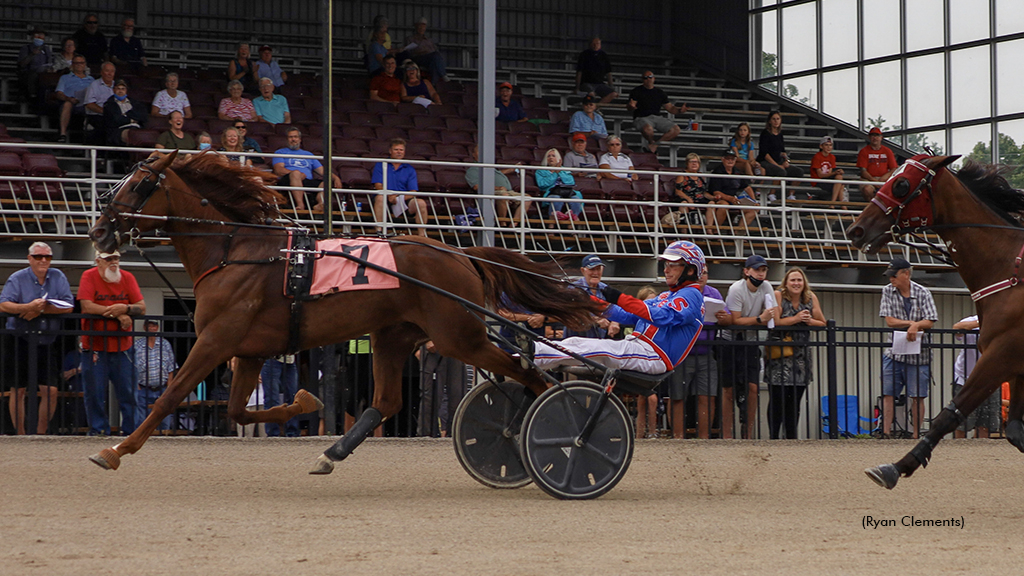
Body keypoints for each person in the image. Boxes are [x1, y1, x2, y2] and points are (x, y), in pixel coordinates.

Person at [529, 241, 706, 381]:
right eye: (666, 264)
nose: (666, 269)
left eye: (673, 265)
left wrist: (618, 297)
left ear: (690, 270)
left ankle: (531, 354)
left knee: (596, 348)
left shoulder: (692, 295)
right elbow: (627, 315)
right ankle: (530, 353)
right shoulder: (666, 295)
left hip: (655, 355)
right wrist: (588, 301)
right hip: (639, 347)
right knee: (576, 341)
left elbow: (665, 317)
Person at [0, 242, 73, 435]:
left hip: (47, 340)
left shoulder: (58, 276)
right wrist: (26, 307)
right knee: (19, 389)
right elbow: (4, 304)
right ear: (29, 258)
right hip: (19, 339)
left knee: (51, 390)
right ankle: (21, 434)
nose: (43, 260)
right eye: (38, 256)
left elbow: (69, 305)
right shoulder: (17, 277)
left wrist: (40, 309)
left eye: (47, 257)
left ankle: (41, 434)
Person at [78, 250, 146, 436]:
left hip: (123, 347)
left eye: (116, 258)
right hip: (94, 347)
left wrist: (125, 308)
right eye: (109, 259)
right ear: (98, 261)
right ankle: (99, 431)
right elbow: (87, 306)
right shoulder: (89, 276)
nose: (113, 262)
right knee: (95, 394)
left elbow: (141, 307)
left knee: (130, 394)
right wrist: (117, 313)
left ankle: (133, 432)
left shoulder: (127, 277)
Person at [879, 257, 937, 440]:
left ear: (906, 274)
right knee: (888, 393)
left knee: (918, 395)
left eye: (894, 276)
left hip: (920, 354)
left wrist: (917, 326)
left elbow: (931, 320)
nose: (891, 280)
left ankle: (916, 434)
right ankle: (886, 432)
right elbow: (889, 321)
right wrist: (913, 323)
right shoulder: (887, 291)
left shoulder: (923, 292)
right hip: (894, 351)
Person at [667, 268, 728, 439]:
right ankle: (677, 438)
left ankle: (704, 440)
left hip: (706, 353)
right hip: (681, 353)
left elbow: (729, 318)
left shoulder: (714, 294)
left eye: (706, 273)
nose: (702, 276)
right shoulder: (677, 292)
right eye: (699, 272)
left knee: (707, 396)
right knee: (677, 396)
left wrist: (723, 318)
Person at [765, 267, 825, 440]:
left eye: (799, 280)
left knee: (795, 402)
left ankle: (791, 438)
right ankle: (774, 437)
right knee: (777, 399)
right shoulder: (778, 296)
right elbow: (775, 322)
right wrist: (796, 319)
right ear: (786, 282)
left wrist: (809, 320)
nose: (796, 283)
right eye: (793, 280)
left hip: (801, 357)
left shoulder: (811, 298)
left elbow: (823, 323)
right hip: (780, 355)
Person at [723, 254, 774, 439]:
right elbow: (736, 320)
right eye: (757, 270)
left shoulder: (767, 286)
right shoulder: (736, 288)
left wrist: (761, 319)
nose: (760, 274)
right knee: (728, 389)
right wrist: (759, 319)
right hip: (730, 341)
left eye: (763, 270)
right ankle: (727, 435)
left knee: (753, 387)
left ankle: (748, 433)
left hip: (751, 341)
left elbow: (773, 316)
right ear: (746, 271)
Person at [951, 315, 1002, 439]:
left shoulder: (1002, 322)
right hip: (966, 379)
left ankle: (981, 450)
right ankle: (958, 449)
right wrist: (982, 323)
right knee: (962, 421)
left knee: (986, 422)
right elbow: (956, 328)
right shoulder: (970, 321)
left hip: (991, 379)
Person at [272, 126, 341, 212]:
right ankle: (300, 205)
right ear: (287, 139)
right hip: (288, 180)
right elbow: (278, 170)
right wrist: (297, 174)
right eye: (291, 137)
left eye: (295, 137)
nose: (293, 139)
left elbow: (322, 170)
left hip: (306, 180)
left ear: (300, 139)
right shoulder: (280, 152)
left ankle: (320, 204)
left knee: (326, 182)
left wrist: (336, 178)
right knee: (296, 173)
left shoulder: (308, 154)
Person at [371, 138, 428, 236]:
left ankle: (422, 235)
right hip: (385, 195)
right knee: (380, 197)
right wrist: (389, 195)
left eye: (401, 150)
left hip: (402, 197)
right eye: (396, 150)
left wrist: (397, 196)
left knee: (421, 203)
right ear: (390, 151)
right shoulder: (381, 164)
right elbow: (378, 185)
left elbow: (413, 191)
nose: (399, 152)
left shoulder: (409, 168)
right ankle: (379, 231)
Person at [465, 144, 531, 225]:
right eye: (479, 151)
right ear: (473, 154)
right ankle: (502, 224)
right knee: (504, 195)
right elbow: (476, 186)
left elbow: (500, 173)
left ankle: (514, 224)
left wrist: (512, 169)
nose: (483, 153)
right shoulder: (473, 170)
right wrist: (497, 188)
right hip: (491, 193)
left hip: (509, 191)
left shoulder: (491, 168)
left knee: (527, 198)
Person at [627, 71, 688, 153]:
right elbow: (631, 106)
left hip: (657, 117)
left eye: (650, 77)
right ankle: (651, 143)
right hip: (641, 117)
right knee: (648, 129)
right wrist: (631, 106)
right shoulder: (636, 91)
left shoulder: (660, 92)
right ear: (642, 80)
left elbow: (670, 108)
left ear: (654, 78)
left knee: (676, 129)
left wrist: (680, 110)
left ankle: (654, 145)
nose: (648, 79)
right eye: (645, 78)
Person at [132, 319, 177, 431]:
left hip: (162, 388)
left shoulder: (165, 344)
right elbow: (132, 367)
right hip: (143, 388)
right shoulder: (137, 345)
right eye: (149, 326)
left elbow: (171, 367)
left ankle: (164, 444)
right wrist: (136, 385)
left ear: (157, 328)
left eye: (154, 326)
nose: (152, 328)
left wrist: (169, 386)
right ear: (144, 327)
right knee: (142, 423)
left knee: (164, 422)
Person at [417, 341, 466, 438]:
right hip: (434, 347)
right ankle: (425, 434)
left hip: (455, 346)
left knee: (458, 394)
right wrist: (426, 341)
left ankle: (454, 434)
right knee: (430, 396)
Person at [709, 150, 757, 227]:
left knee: (754, 209)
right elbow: (716, 191)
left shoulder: (737, 171)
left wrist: (753, 201)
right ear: (723, 159)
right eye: (728, 159)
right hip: (720, 199)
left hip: (735, 199)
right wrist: (729, 198)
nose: (730, 161)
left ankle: (738, 233)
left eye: (732, 159)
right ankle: (716, 231)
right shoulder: (717, 172)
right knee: (724, 206)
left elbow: (747, 187)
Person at [535, 148, 583, 221]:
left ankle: (572, 224)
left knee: (576, 199)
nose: (551, 158)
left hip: (567, 192)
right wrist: (555, 173)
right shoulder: (540, 171)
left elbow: (571, 183)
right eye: (549, 156)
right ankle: (552, 225)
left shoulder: (564, 170)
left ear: (558, 158)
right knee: (556, 199)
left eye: (553, 156)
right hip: (551, 192)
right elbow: (542, 184)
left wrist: (560, 171)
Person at [54, 54, 93, 143]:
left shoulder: (91, 80)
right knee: (67, 104)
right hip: (71, 102)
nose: (79, 65)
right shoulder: (65, 78)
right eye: (76, 63)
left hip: (86, 103)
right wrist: (69, 98)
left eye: (81, 63)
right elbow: (59, 93)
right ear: (72, 64)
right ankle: (63, 134)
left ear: (85, 64)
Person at [664, 153, 710, 226]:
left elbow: (703, 192)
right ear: (687, 163)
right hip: (685, 198)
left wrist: (713, 197)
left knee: (712, 204)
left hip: (699, 199)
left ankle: (709, 230)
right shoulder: (682, 175)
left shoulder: (701, 176)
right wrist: (689, 200)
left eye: (696, 162)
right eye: (691, 162)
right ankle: (684, 232)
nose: (694, 164)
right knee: (684, 204)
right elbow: (678, 191)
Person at [757, 110, 803, 182]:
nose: (776, 121)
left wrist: (786, 161)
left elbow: (782, 151)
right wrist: (777, 165)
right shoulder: (765, 133)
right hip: (766, 161)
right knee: (781, 172)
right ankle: (772, 192)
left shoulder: (780, 134)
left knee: (798, 171)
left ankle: (791, 193)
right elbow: (764, 153)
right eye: (774, 119)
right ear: (769, 121)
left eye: (778, 119)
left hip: (778, 160)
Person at [261, 355, 299, 437]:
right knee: (272, 398)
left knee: (292, 397)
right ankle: (273, 433)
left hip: (289, 359)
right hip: (273, 358)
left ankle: (292, 432)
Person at [857, 127, 898, 202]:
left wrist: (881, 179)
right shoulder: (864, 151)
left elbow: (893, 169)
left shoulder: (887, 151)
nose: (875, 138)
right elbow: (863, 171)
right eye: (872, 135)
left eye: (877, 135)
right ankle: (872, 208)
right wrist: (874, 181)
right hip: (868, 179)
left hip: (884, 179)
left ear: (881, 137)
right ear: (869, 137)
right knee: (867, 189)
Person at [403, 17, 449, 84]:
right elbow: (408, 52)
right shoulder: (410, 39)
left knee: (434, 65)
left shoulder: (429, 40)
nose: (421, 28)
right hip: (418, 58)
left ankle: (433, 86)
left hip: (430, 59)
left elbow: (435, 51)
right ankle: (443, 75)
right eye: (420, 26)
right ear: (416, 26)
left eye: (423, 26)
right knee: (435, 56)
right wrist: (423, 52)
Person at [102, 78, 147, 146]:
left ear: (126, 90)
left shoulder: (135, 102)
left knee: (147, 135)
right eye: (118, 89)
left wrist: (126, 115)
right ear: (114, 90)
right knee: (132, 135)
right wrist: (131, 119)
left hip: (137, 128)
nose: (120, 91)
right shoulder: (109, 104)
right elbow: (116, 120)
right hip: (118, 130)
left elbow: (143, 116)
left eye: (123, 89)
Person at [575, 37, 617, 105]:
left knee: (613, 94)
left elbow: (608, 72)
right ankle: (591, 107)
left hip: (600, 83)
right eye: (593, 44)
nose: (595, 45)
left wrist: (611, 85)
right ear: (590, 44)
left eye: (597, 44)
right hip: (587, 83)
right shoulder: (584, 55)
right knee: (591, 94)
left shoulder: (604, 55)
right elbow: (579, 72)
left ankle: (596, 108)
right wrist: (577, 87)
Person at [83, 61, 116, 143]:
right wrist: (106, 112)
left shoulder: (118, 86)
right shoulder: (94, 85)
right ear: (101, 72)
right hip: (98, 116)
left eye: (112, 71)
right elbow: (89, 104)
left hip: (115, 116)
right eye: (107, 71)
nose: (109, 73)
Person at [17, 28, 52, 104]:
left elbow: (49, 62)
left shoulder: (46, 49)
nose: (39, 37)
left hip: (43, 74)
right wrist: (32, 54)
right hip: (29, 73)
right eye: (37, 35)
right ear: (32, 37)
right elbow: (22, 64)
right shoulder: (26, 48)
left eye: (41, 36)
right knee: (33, 76)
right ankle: (32, 95)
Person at [809, 136, 845, 202]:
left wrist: (838, 172)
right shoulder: (817, 157)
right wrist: (834, 173)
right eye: (826, 145)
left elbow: (829, 173)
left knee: (839, 178)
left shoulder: (832, 157)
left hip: (826, 179)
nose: (829, 147)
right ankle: (837, 205)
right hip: (818, 181)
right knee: (840, 184)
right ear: (821, 146)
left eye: (830, 145)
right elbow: (820, 175)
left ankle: (834, 204)